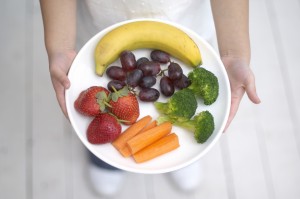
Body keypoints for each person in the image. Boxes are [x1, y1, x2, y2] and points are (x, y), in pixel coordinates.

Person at [40, 0, 261, 196]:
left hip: (187, 30)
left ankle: (179, 158)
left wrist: (235, 54)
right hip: (100, 32)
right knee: (102, 130)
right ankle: (105, 162)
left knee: (187, 146)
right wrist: (59, 47)